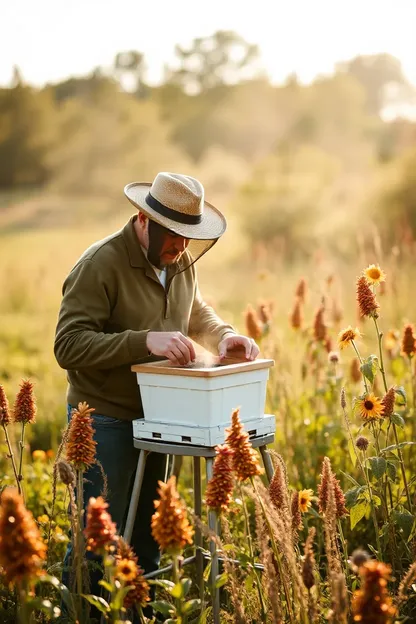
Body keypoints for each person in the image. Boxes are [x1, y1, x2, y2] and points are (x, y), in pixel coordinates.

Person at [54, 171, 260, 619]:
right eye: (174, 236)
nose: (181, 248)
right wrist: (144, 340)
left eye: (189, 238)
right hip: (103, 418)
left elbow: (195, 310)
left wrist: (224, 336)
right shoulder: (99, 265)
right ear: (144, 221)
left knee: (149, 540)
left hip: (160, 415)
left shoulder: (178, 258)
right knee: (97, 542)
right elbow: (67, 346)